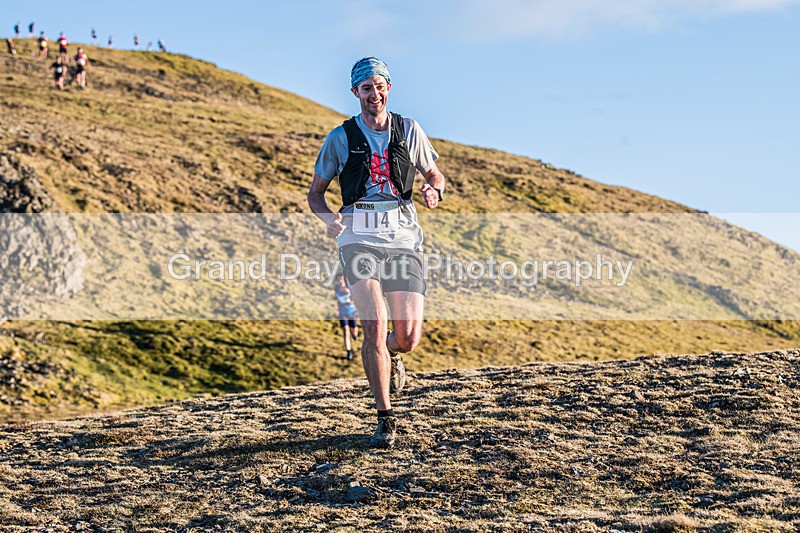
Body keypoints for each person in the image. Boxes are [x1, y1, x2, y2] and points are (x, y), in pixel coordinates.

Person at [307, 57, 446, 449]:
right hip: (358, 239)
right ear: (356, 92)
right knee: (373, 324)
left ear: (389, 88)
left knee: (407, 337)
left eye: (379, 86)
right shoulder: (340, 137)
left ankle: (390, 353)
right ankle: (385, 418)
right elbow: (316, 194)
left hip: (403, 239)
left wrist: (434, 188)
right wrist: (328, 219)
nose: (374, 94)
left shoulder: (409, 129)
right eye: (366, 88)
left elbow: (434, 173)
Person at [335, 273, 360, 361]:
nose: (340, 281)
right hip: (342, 313)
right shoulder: (336, 288)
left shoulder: (350, 287)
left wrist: (353, 302)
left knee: (354, 330)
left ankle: (354, 335)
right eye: (339, 279)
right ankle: (349, 351)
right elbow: (338, 298)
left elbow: (355, 297)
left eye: (341, 279)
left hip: (352, 312)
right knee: (346, 331)